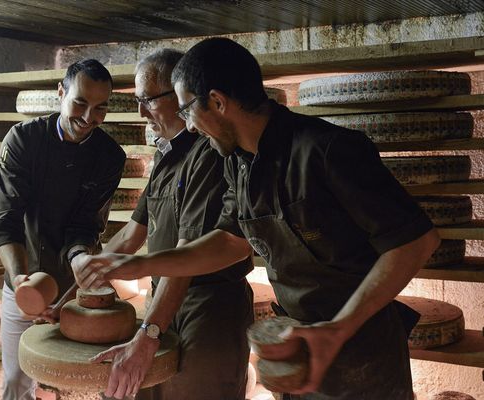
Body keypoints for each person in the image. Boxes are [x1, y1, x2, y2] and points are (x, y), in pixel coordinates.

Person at [73, 38, 441, 400]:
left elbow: (416, 242)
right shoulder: (238, 162)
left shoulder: (327, 150)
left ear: (217, 102)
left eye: (187, 110)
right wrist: (134, 264)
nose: (188, 125)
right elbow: (229, 242)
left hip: (362, 348)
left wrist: (337, 329)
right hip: (297, 344)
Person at [72, 48, 254, 400]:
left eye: (148, 100)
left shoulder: (208, 153)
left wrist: (148, 335)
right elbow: (131, 234)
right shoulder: (166, 156)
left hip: (207, 308)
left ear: (180, 93)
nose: (141, 112)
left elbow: (187, 258)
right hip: (164, 301)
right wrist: (79, 287)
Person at [0, 59, 126, 400]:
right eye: (80, 102)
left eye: (100, 108)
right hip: (23, 279)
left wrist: (79, 265)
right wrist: (22, 282)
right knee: (17, 381)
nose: (89, 117)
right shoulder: (24, 140)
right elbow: (5, 217)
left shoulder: (109, 156)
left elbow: (85, 225)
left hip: (74, 289)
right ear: (60, 92)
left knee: (84, 383)